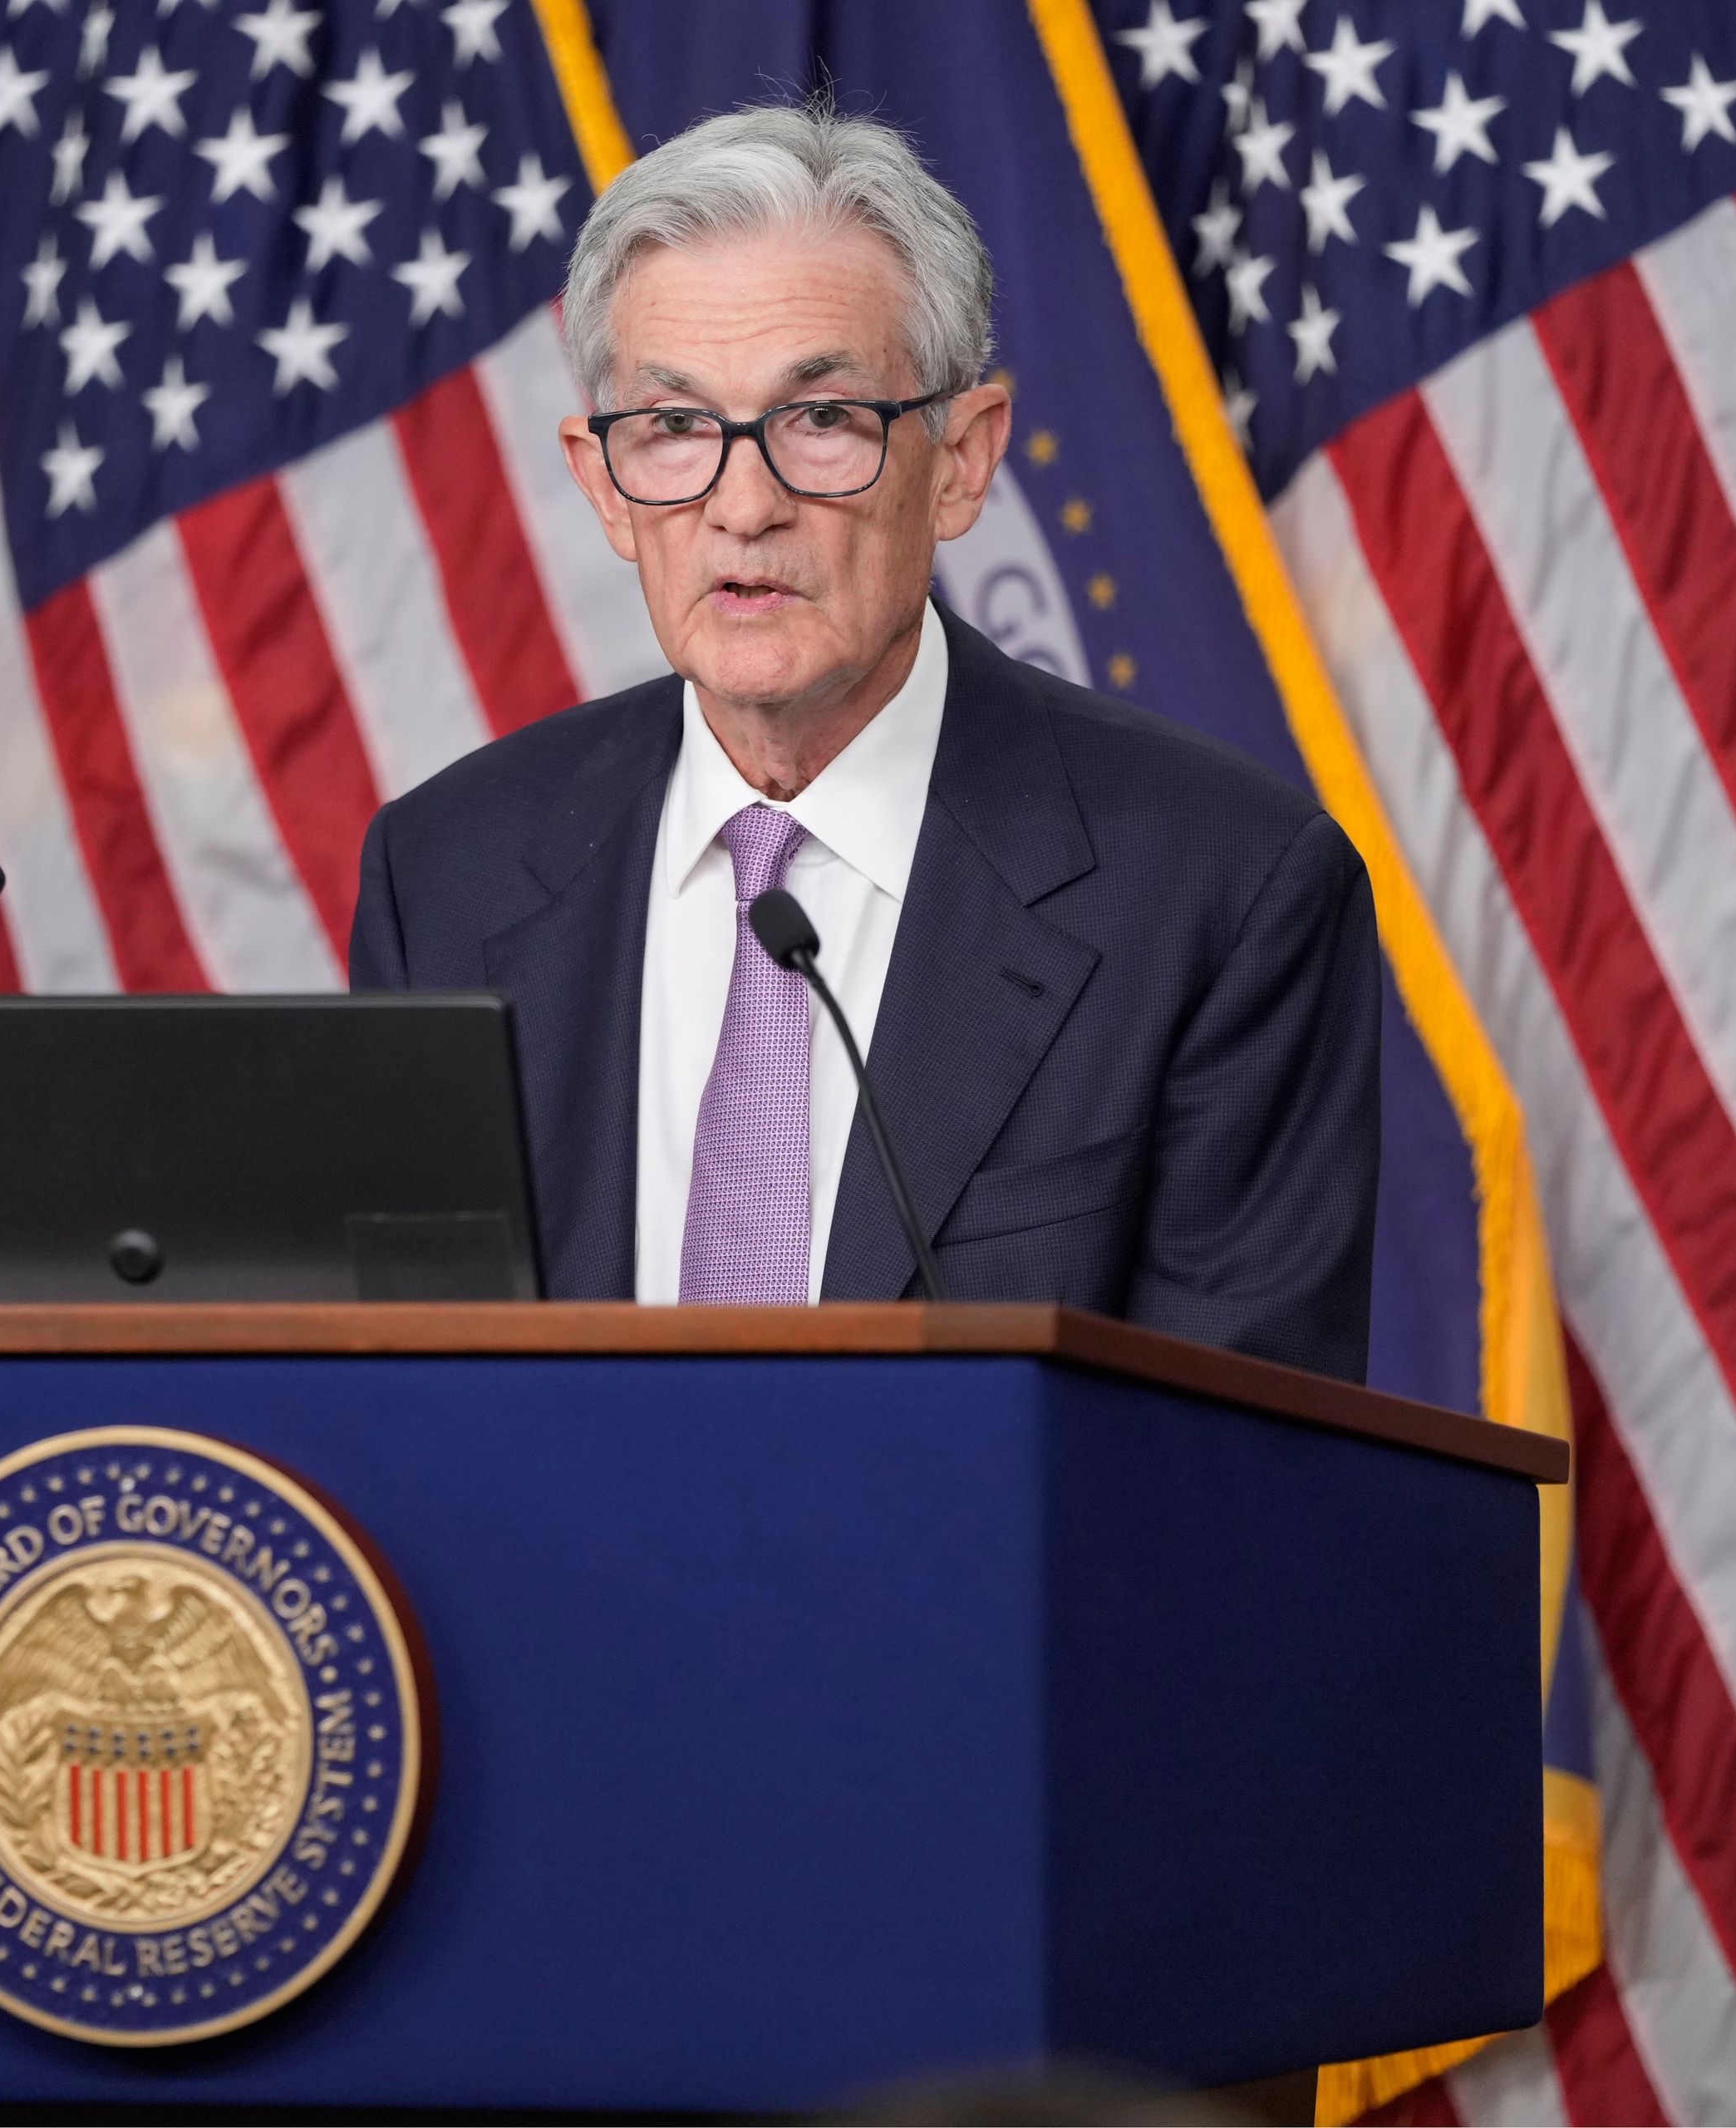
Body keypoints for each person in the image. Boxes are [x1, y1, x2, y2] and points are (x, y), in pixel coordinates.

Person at [348, 101, 1380, 1377]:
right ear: (603, 482)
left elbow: (1230, 1488)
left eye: (820, 420)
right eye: (675, 428)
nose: (742, 506)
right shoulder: (445, 872)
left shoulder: (1222, 892)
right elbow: (402, 1403)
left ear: (960, 460)